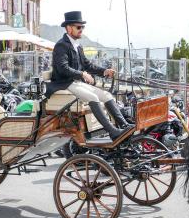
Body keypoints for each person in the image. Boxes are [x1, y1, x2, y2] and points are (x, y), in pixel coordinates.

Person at [47, 11, 132, 140]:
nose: (81, 30)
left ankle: (124, 125)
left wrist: (104, 71)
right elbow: (63, 68)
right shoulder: (61, 46)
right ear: (69, 28)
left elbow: (87, 65)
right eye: (78, 27)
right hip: (64, 83)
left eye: (82, 27)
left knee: (107, 95)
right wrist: (82, 74)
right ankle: (113, 132)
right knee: (93, 97)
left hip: (76, 83)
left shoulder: (78, 46)